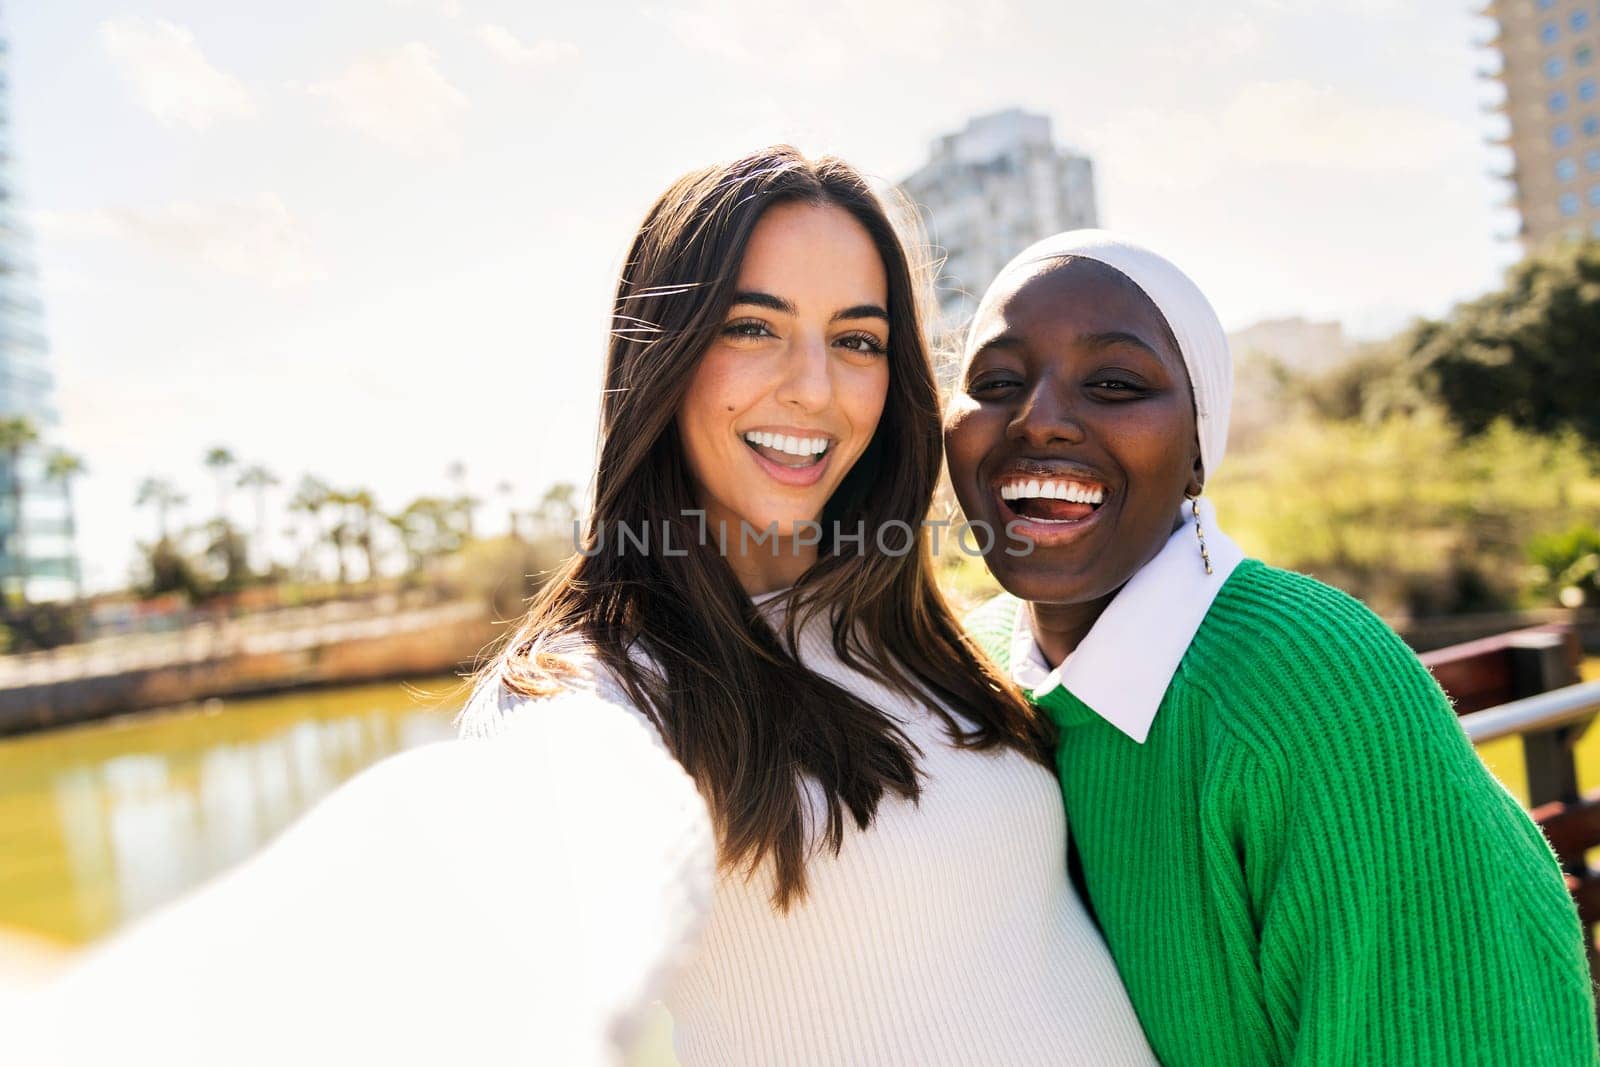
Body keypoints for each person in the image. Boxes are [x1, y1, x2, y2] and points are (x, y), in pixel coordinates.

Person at [459, 149, 1159, 1065]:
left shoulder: (917, 633)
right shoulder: (588, 697)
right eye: (754, 327)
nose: (815, 389)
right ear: (662, 353)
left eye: (857, 340)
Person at [945, 228, 1600, 1065]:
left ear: (1197, 453)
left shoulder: (1315, 685)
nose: (1037, 419)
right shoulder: (971, 664)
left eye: (1115, 382)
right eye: (996, 381)